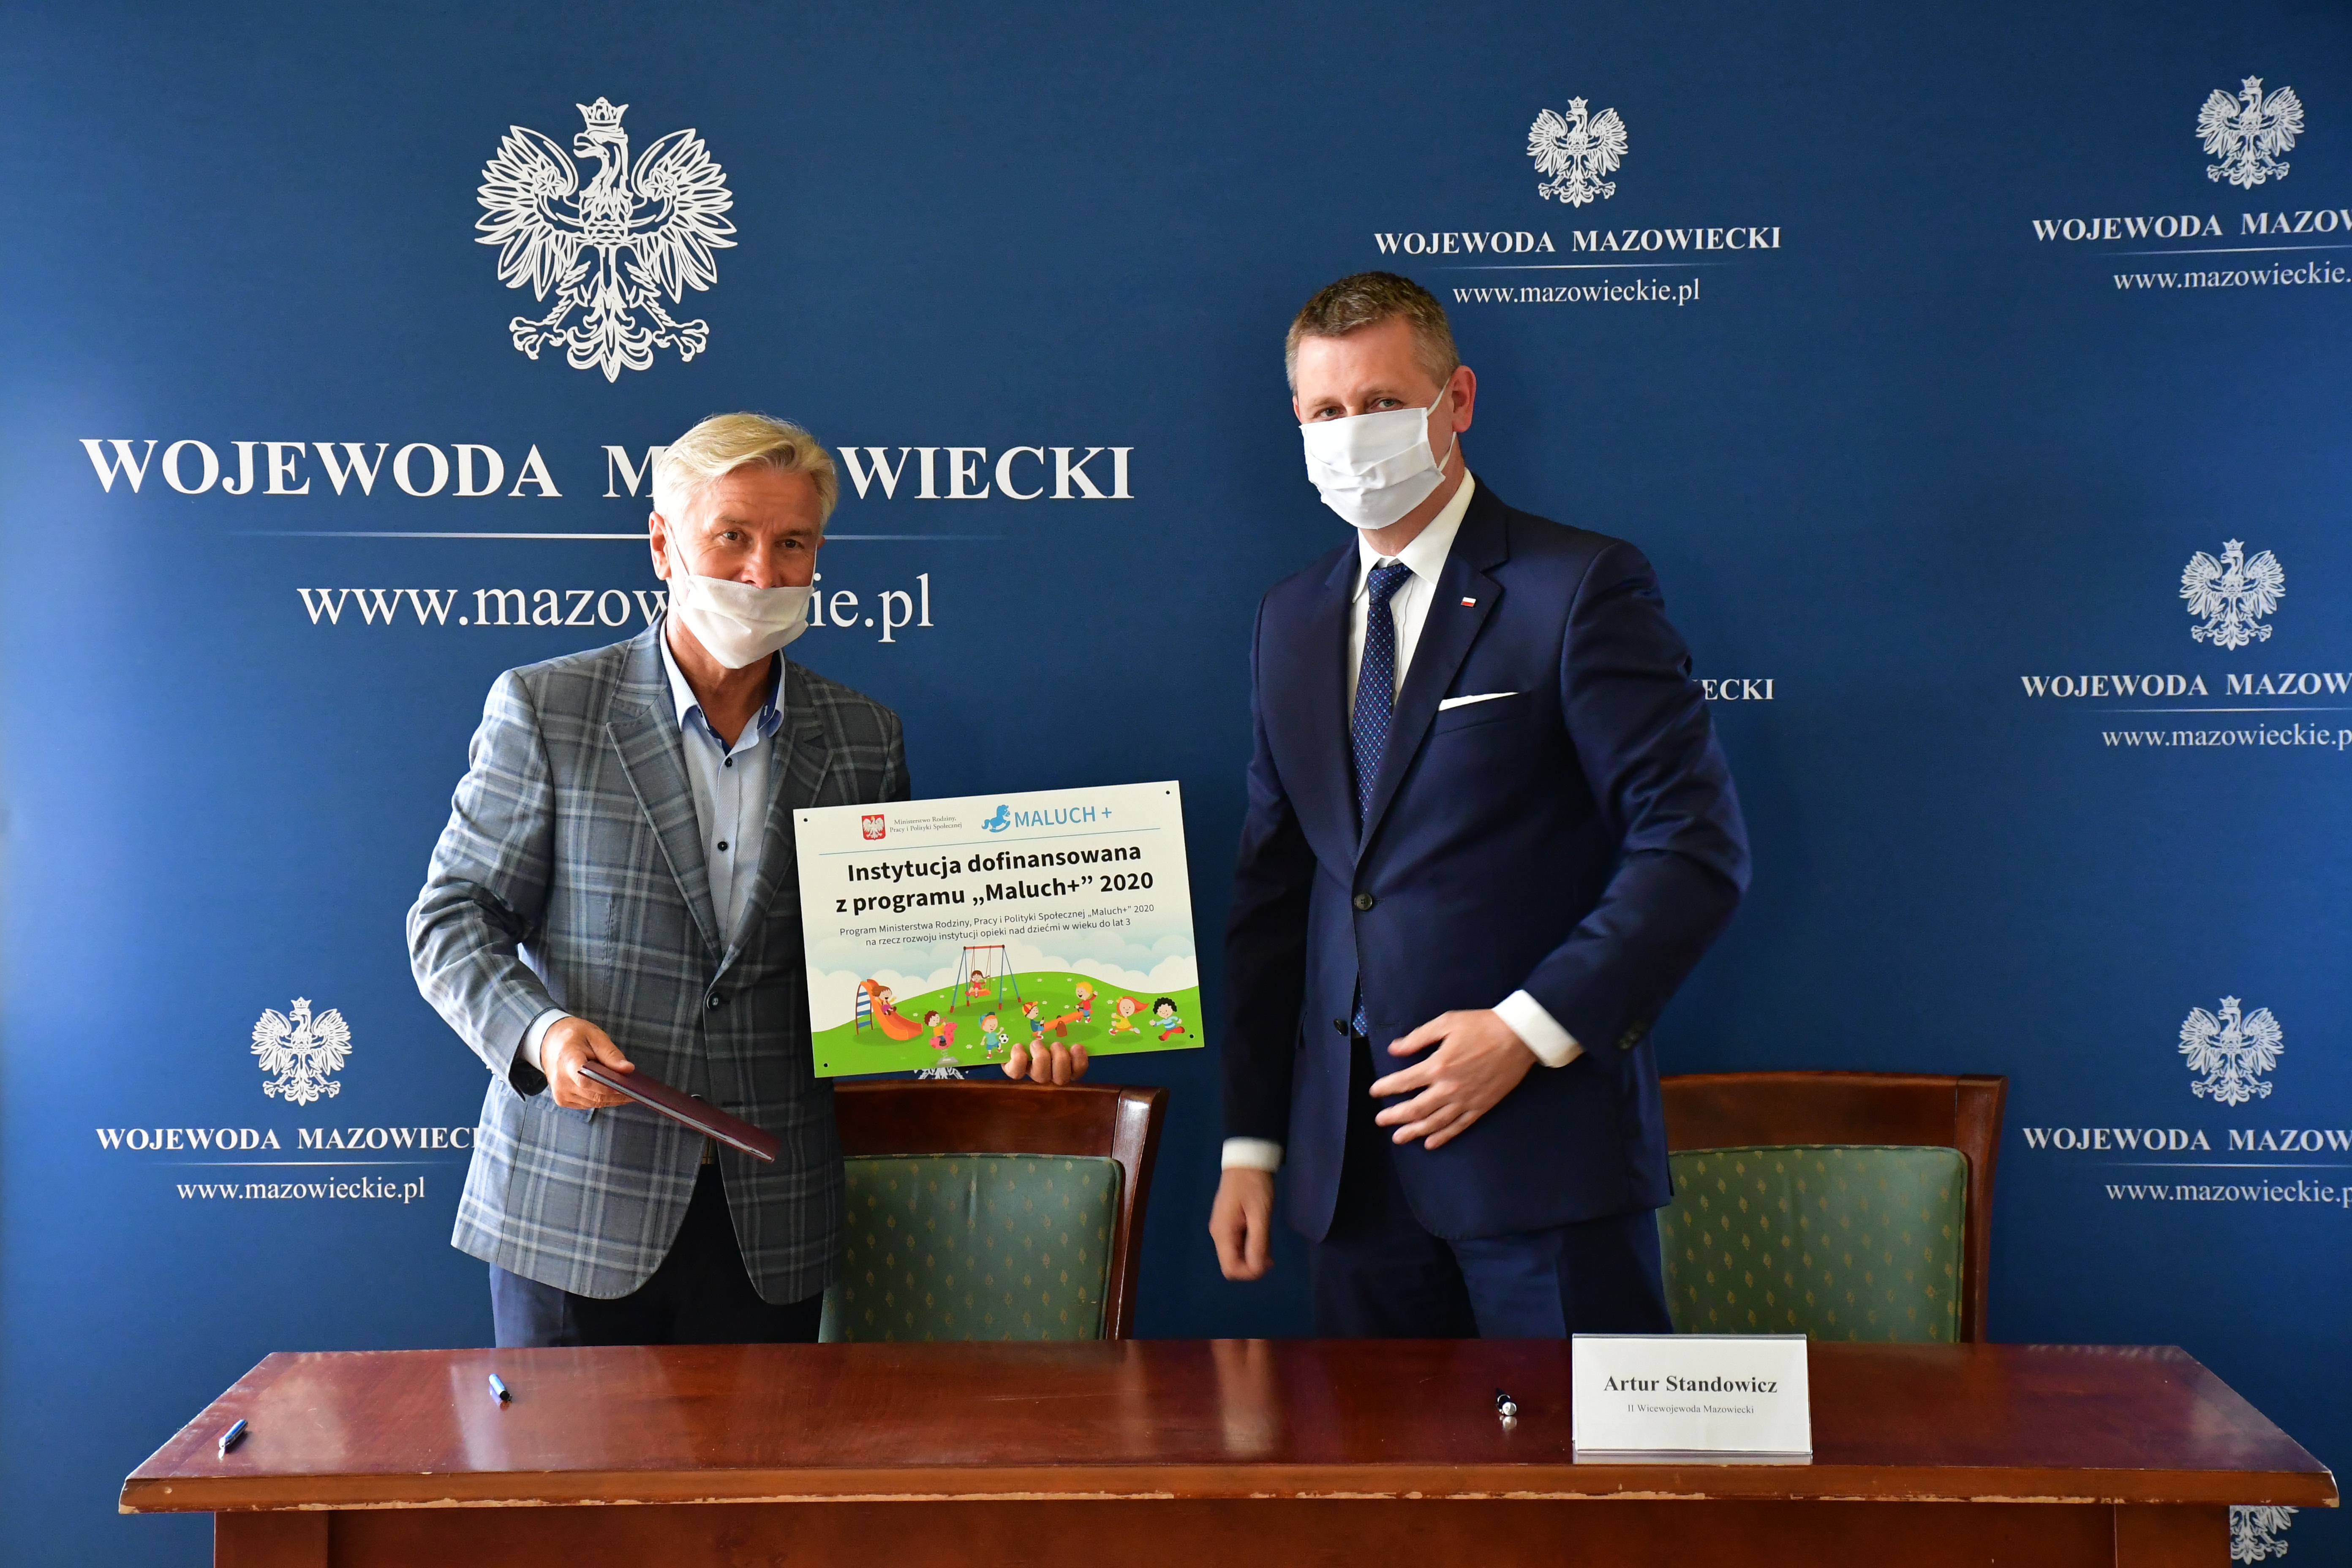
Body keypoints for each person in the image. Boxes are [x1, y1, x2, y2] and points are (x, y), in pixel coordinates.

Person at [408, 413, 1084, 1350]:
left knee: (759, 1460)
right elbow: (454, 920)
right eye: (732, 536)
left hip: (773, 1220)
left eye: (792, 543)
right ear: (663, 545)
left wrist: (997, 1033)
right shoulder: (548, 708)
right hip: (574, 1211)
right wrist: (543, 1032)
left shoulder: (864, 737)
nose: (763, 573)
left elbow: (892, 961)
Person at [1210, 274, 1749, 1338]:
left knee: (1576, 1455)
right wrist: (1253, 1144)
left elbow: (1691, 848)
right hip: (1349, 1179)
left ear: (1456, 399)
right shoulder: (1290, 618)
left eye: (1381, 403)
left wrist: (1525, 1030)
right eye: (1327, 410)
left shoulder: (1579, 586)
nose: (1351, 434)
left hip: (1541, 1156)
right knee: (1376, 1456)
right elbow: (1277, 895)